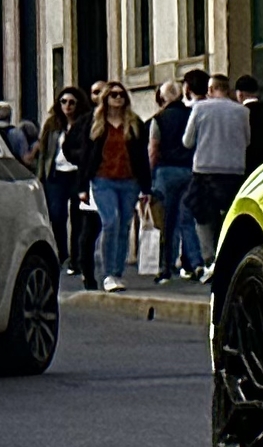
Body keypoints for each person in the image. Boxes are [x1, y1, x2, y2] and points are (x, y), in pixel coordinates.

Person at [84, 82, 153, 292]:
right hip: (103, 180)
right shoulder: (96, 124)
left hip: (129, 181)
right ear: (105, 99)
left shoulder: (134, 124)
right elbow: (86, 156)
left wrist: (146, 188)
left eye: (121, 95)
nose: (118, 98)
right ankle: (108, 274)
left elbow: (142, 157)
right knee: (110, 222)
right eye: (113, 95)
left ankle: (117, 272)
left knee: (124, 225)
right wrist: (81, 186)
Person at [183, 74, 250, 270]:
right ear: (227, 89)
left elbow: (187, 141)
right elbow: (247, 140)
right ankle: (229, 254)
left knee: (202, 214)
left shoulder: (200, 108)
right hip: (234, 169)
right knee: (229, 213)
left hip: (204, 169)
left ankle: (209, 258)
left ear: (210, 90)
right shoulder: (242, 111)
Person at [148, 70, 205, 282]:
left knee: (167, 222)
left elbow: (153, 150)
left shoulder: (159, 119)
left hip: (166, 171)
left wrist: (149, 177)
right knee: (187, 220)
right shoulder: (192, 115)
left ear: (162, 98)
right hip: (190, 170)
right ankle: (197, 263)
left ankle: (166, 267)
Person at [36, 86, 94, 284]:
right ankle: (63, 253)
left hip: (77, 174)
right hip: (56, 175)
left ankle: (76, 259)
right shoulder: (52, 125)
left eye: (71, 102)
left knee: (79, 217)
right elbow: (44, 153)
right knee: (57, 214)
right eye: (63, 102)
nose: (67, 106)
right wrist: (40, 177)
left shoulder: (84, 124)